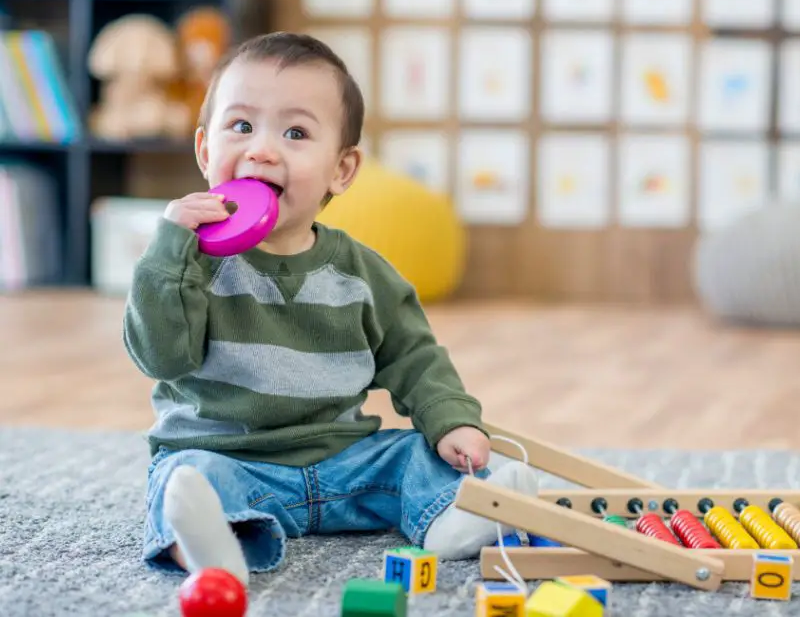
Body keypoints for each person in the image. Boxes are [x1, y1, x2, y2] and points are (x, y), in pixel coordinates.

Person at [123, 32, 537, 585]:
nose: (262, 150)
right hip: (232, 457)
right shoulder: (187, 264)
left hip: (346, 463)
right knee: (187, 476)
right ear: (205, 151)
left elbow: (414, 357)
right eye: (241, 126)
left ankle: (457, 514)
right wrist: (168, 250)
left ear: (341, 170)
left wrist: (451, 421)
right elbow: (161, 357)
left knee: (415, 457)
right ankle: (212, 548)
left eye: (295, 132)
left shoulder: (363, 274)